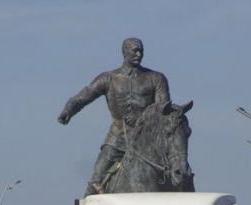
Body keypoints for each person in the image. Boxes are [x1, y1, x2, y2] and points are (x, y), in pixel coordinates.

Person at [58, 38, 171, 196]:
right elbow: (86, 94)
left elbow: (163, 110)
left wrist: (142, 117)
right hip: (117, 140)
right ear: (124, 52)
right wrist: (68, 109)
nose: (138, 54)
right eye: (134, 50)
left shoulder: (156, 78)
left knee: (178, 172)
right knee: (95, 181)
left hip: (149, 143)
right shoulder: (109, 78)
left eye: (141, 51)